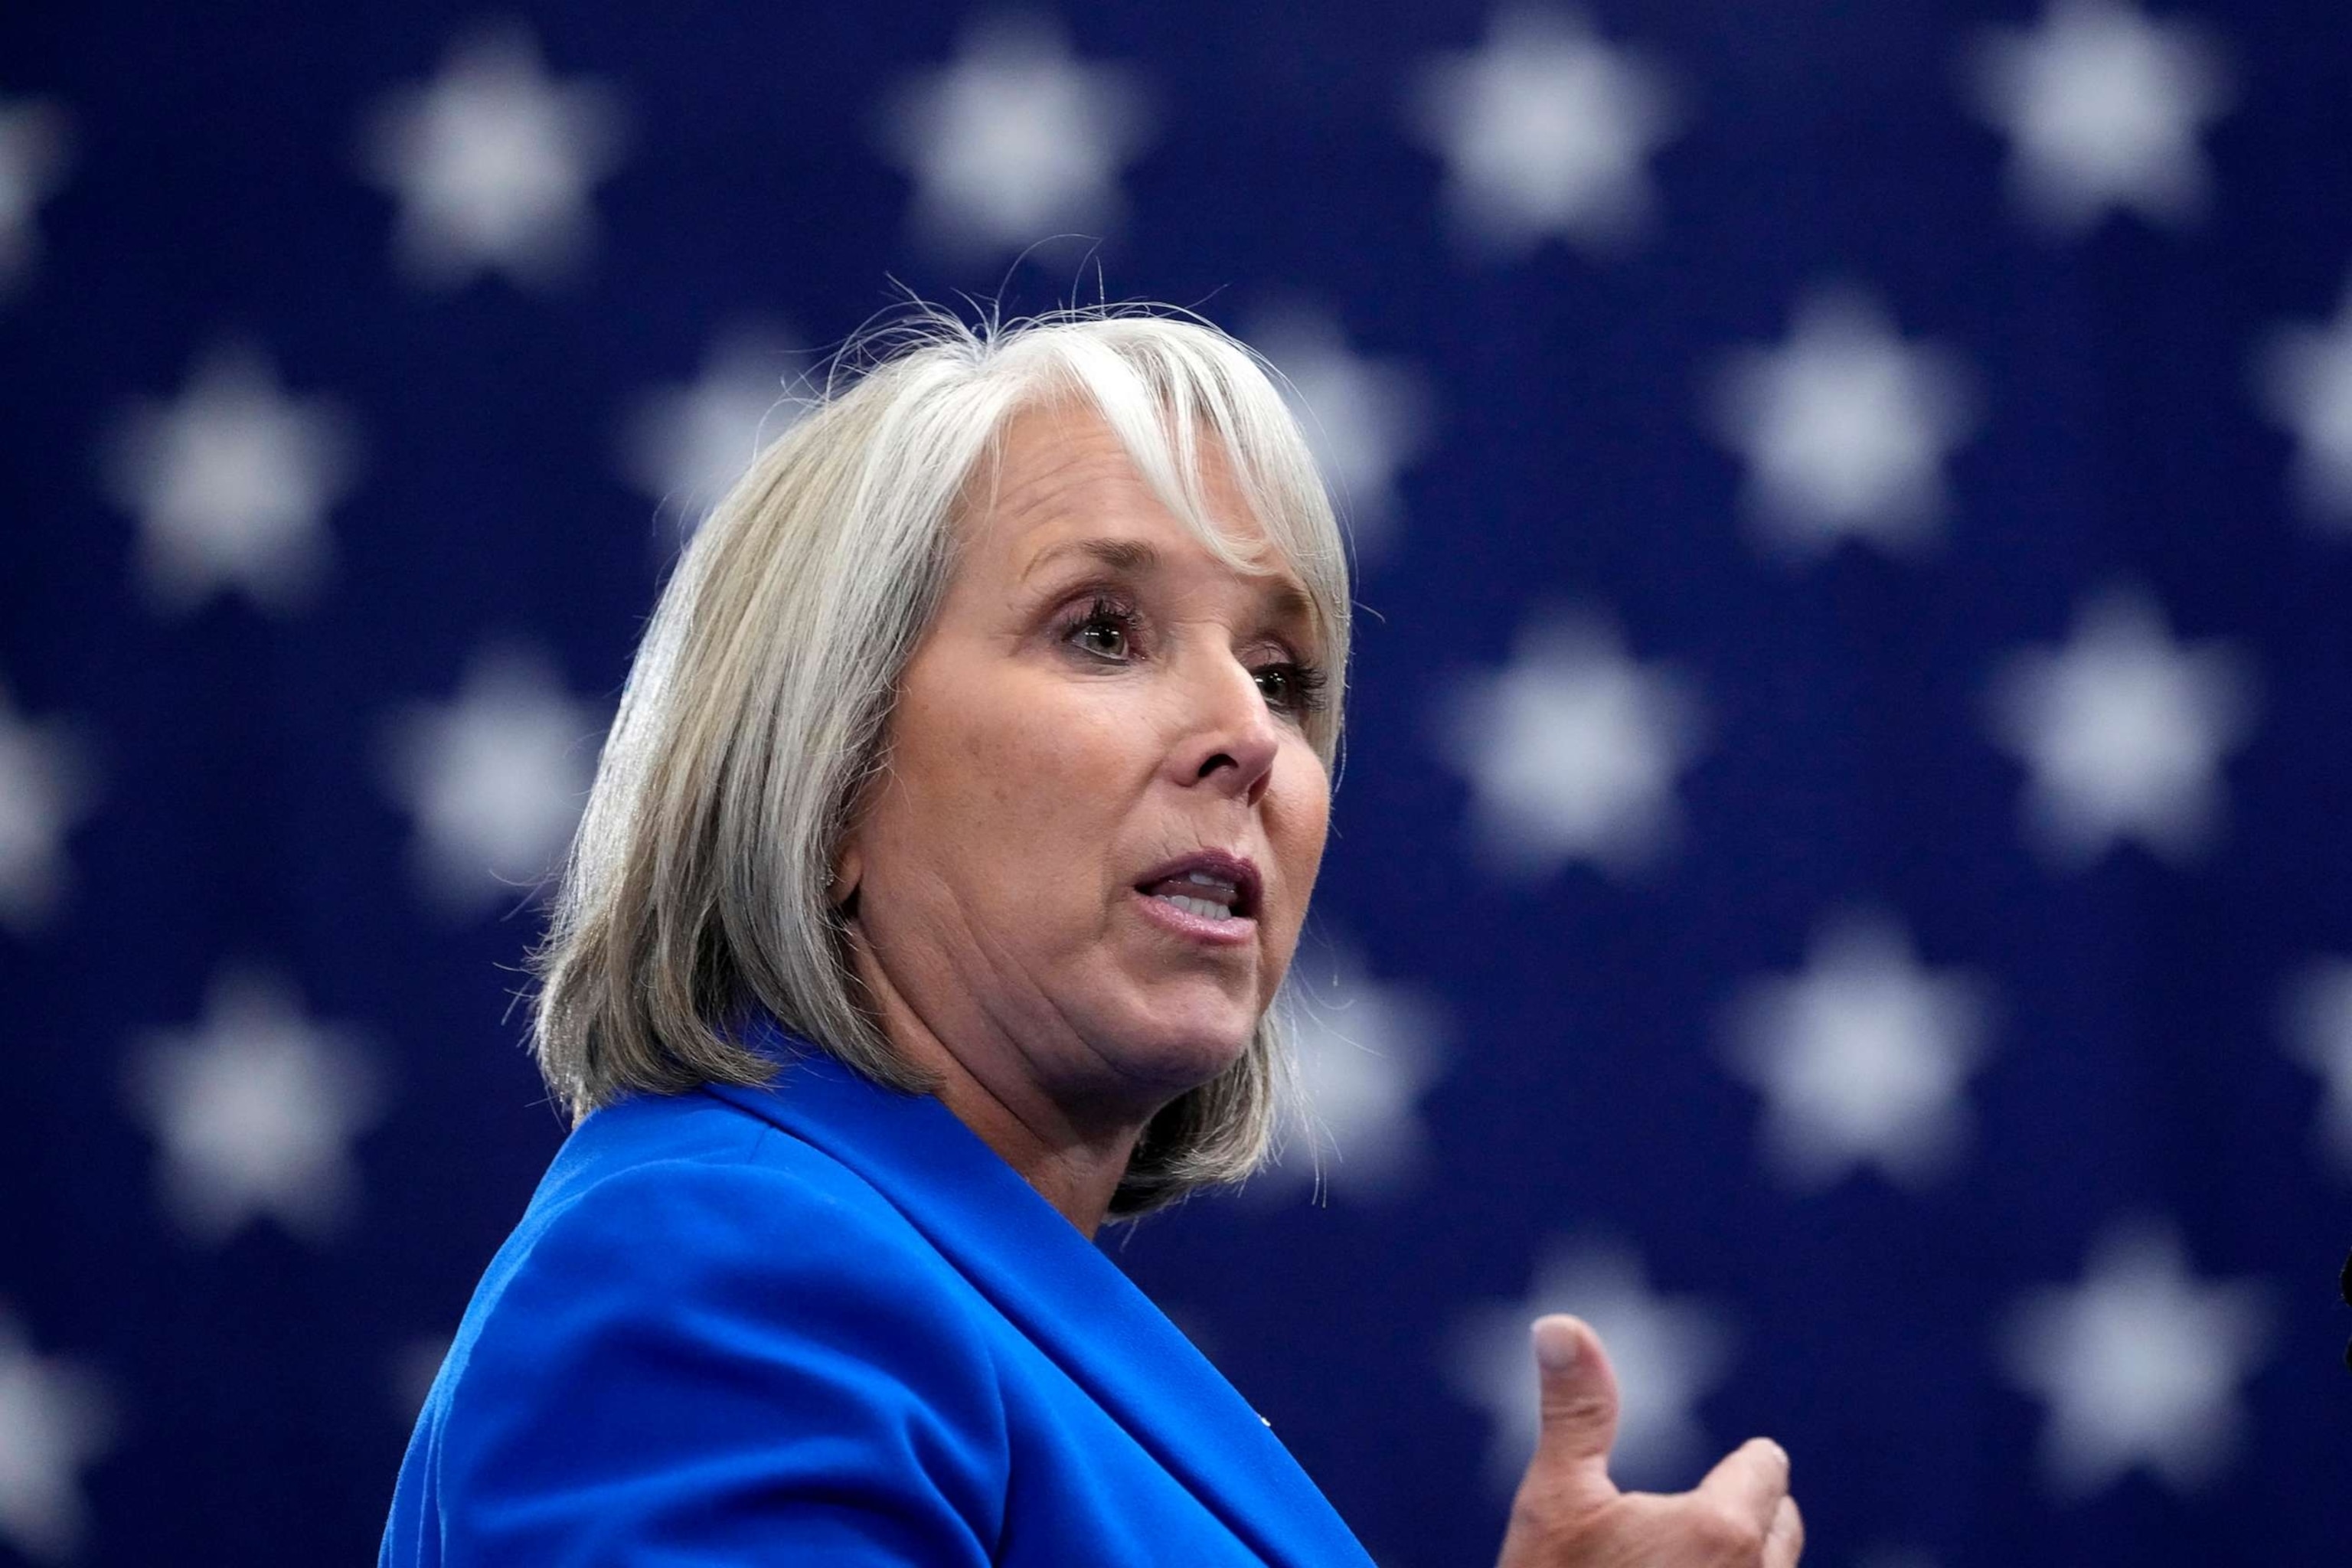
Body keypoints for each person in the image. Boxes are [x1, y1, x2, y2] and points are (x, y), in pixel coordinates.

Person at [379, 306, 1805, 1566]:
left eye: (1284, 673)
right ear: (823, 784)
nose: (1249, 735)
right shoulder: (714, 1282)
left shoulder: (945, 1300)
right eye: (1103, 631)